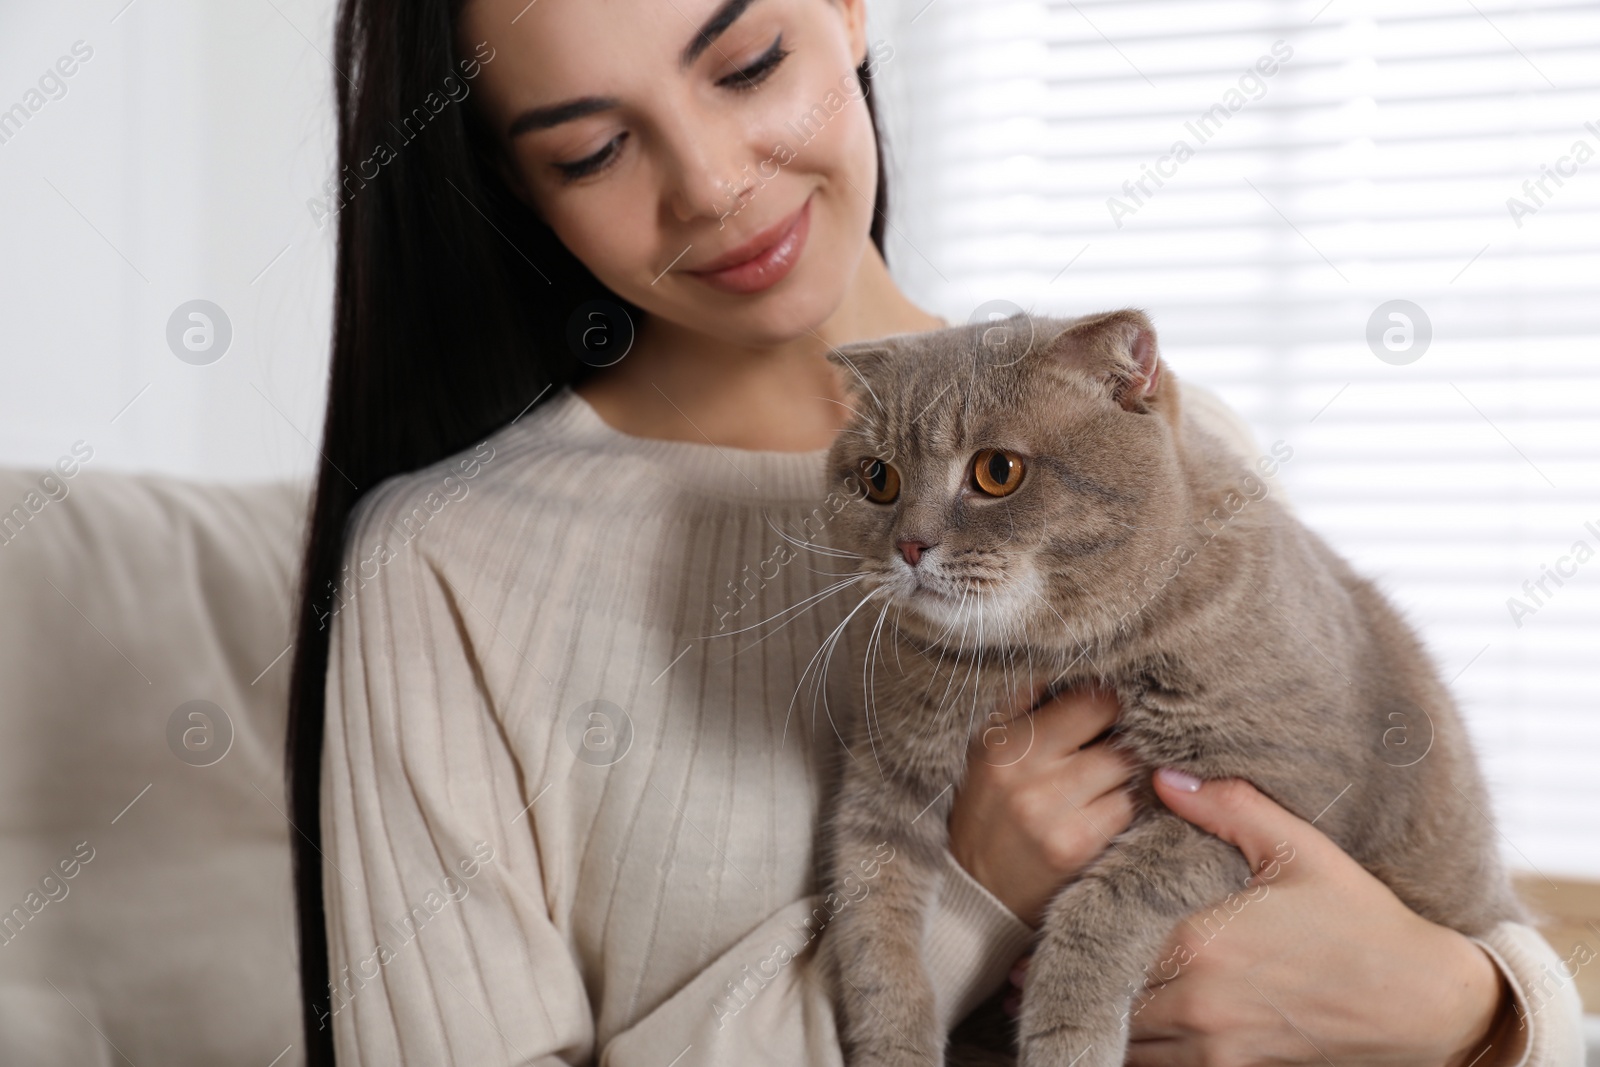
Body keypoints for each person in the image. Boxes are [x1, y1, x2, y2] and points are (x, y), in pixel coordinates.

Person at [283, 0, 1587, 1063]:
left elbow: (1473, 946)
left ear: (847, 11)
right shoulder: (440, 568)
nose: (716, 185)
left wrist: (1466, 1012)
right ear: (513, 187)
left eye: (745, 65)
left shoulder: (1166, 448)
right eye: (591, 150)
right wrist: (966, 898)